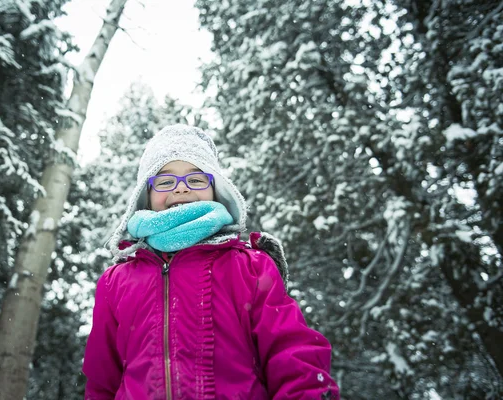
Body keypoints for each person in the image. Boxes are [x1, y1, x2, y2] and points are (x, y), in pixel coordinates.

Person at [82, 124, 340, 399]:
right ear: (145, 195)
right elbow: (102, 380)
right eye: (165, 181)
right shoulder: (116, 282)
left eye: (196, 180)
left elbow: (292, 355)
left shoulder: (250, 268)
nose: (181, 190)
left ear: (216, 190)